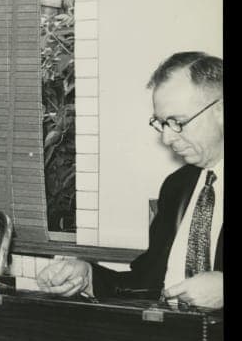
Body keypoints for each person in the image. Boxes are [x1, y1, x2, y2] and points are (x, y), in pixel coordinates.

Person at [37, 52, 223, 310]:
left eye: (178, 122)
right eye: (161, 124)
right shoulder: (177, 186)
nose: (167, 139)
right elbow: (147, 282)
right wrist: (88, 277)